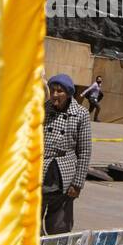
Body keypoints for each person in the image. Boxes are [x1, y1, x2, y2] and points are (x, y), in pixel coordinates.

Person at [42, 74, 91, 235]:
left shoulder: (81, 114)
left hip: (64, 178)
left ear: (69, 93)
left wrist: (77, 184)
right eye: (53, 90)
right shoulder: (43, 109)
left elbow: (84, 152)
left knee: (58, 227)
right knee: (30, 226)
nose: (55, 95)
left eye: (60, 91)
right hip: (40, 173)